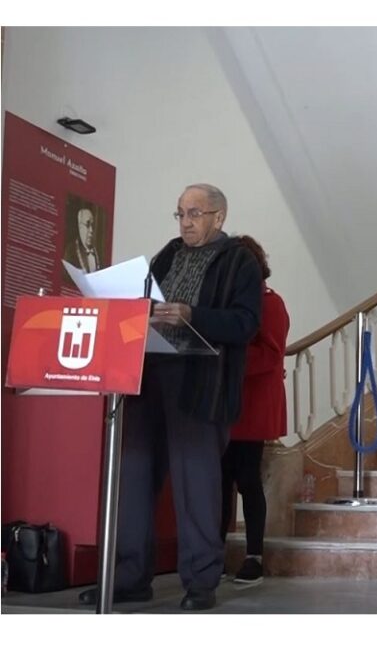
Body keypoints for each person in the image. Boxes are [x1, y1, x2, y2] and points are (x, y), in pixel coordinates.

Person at [78, 184, 263, 611]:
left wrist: (192, 315)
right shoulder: (167, 253)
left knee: (195, 482)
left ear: (219, 216)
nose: (185, 222)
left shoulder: (240, 261)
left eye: (195, 213)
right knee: (133, 475)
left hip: (199, 383)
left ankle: (200, 584)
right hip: (148, 375)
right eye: (179, 213)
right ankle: (127, 577)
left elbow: (245, 324)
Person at [220, 235, 289, 587]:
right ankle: (213, 554)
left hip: (253, 405)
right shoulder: (233, 302)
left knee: (247, 480)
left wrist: (225, 361)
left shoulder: (269, 303)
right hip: (225, 404)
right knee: (219, 483)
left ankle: (254, 556)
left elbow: (271, 354)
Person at [63, 205, 101, 273]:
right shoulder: (70, 251)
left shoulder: (98, 252)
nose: (91, 230)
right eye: (87, 224)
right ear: (80, 227)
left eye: (92, 225)